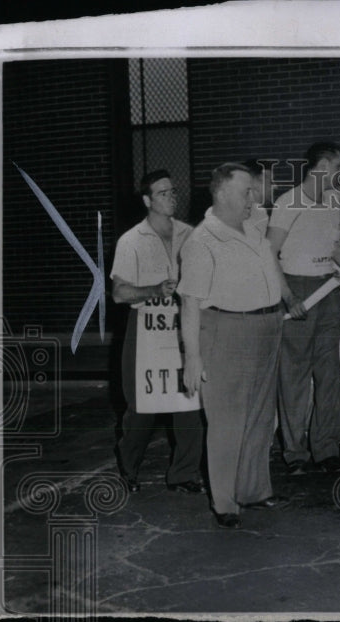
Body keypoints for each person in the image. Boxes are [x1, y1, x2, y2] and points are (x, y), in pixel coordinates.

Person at [179, 163, 290, 529]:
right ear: (223, 193)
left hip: (266, 325)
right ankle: (225, 501)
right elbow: (190, 302)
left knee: (260, 416)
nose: (253, 198)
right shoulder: (202, 240)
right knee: (226, 420)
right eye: (246, 192)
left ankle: (254, 489)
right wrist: (192, 357)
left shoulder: (252, 230)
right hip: (227, 329)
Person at [268, 142, 340, 475]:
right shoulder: (288, 202)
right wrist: (289, 297)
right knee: (293, 375)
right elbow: (269, 253)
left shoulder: (333, 204)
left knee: (329, 373)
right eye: (337, 168)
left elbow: (335, 249)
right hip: (298, 290)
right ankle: (294, 452)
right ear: (322, 166)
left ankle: (327, 449)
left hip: (328, 290)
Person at [111, 170, 205, 495]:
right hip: (147, 331)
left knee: (190, 401)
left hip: (183, 326)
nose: (171, 197)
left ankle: (184, 473)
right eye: (163, 193)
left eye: (173, 191)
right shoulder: (131, 240)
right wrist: (154, 289)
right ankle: (128, 467)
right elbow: (119, 294)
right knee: (141, 408)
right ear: (148, 200)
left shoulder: (191, 235)